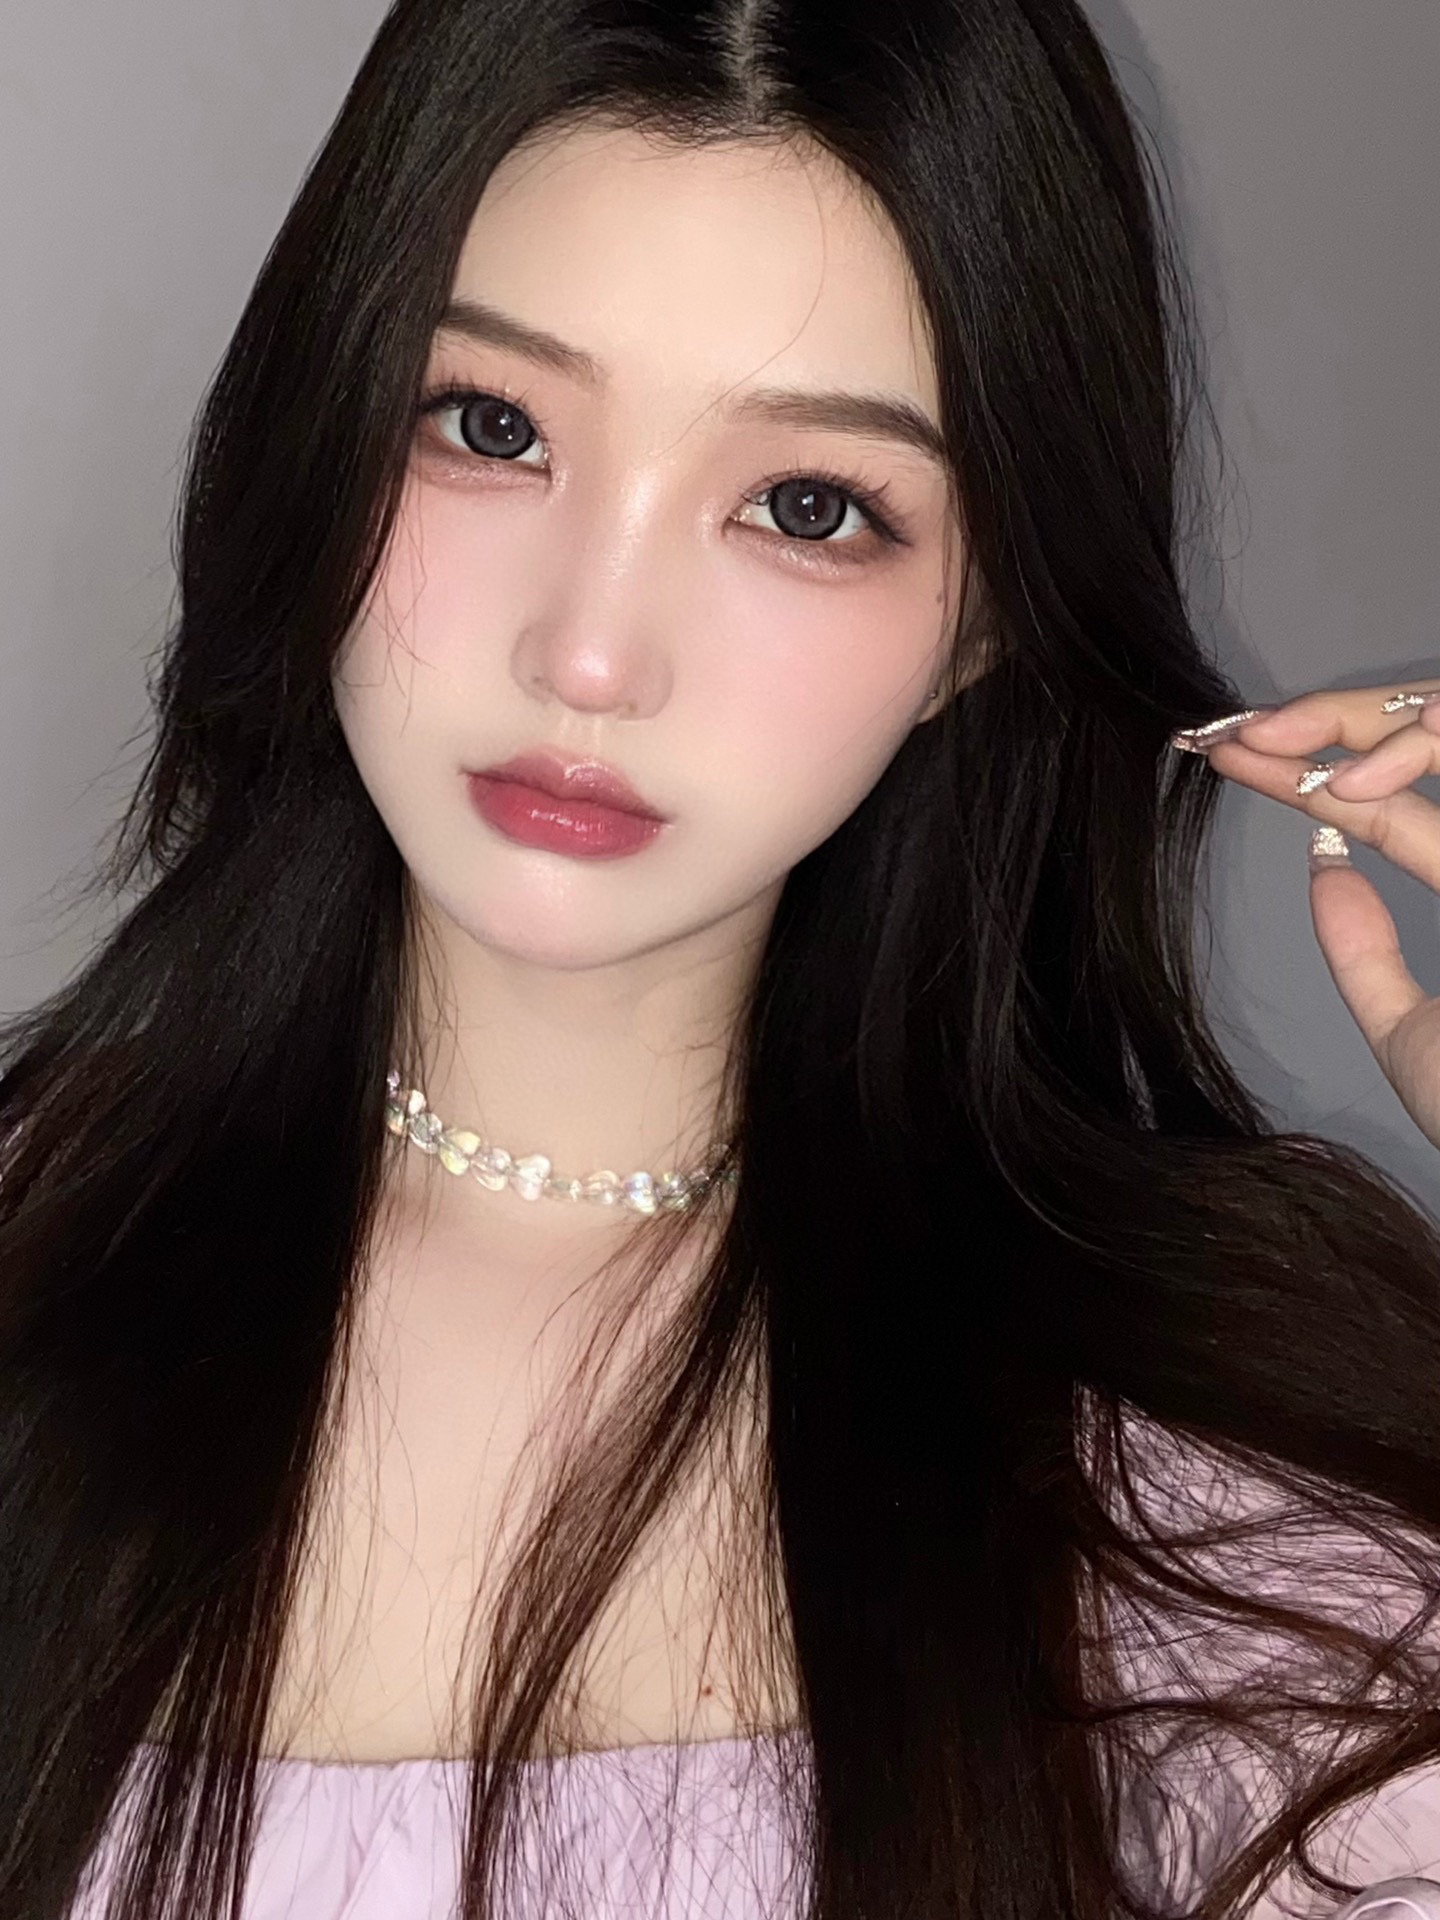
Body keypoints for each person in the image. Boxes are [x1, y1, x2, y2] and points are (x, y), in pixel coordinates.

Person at [2, 0, 1439, 1914]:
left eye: (808, 506)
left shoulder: (1215, 1492)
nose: (593, 655)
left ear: (990, 619)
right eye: (492, 427)